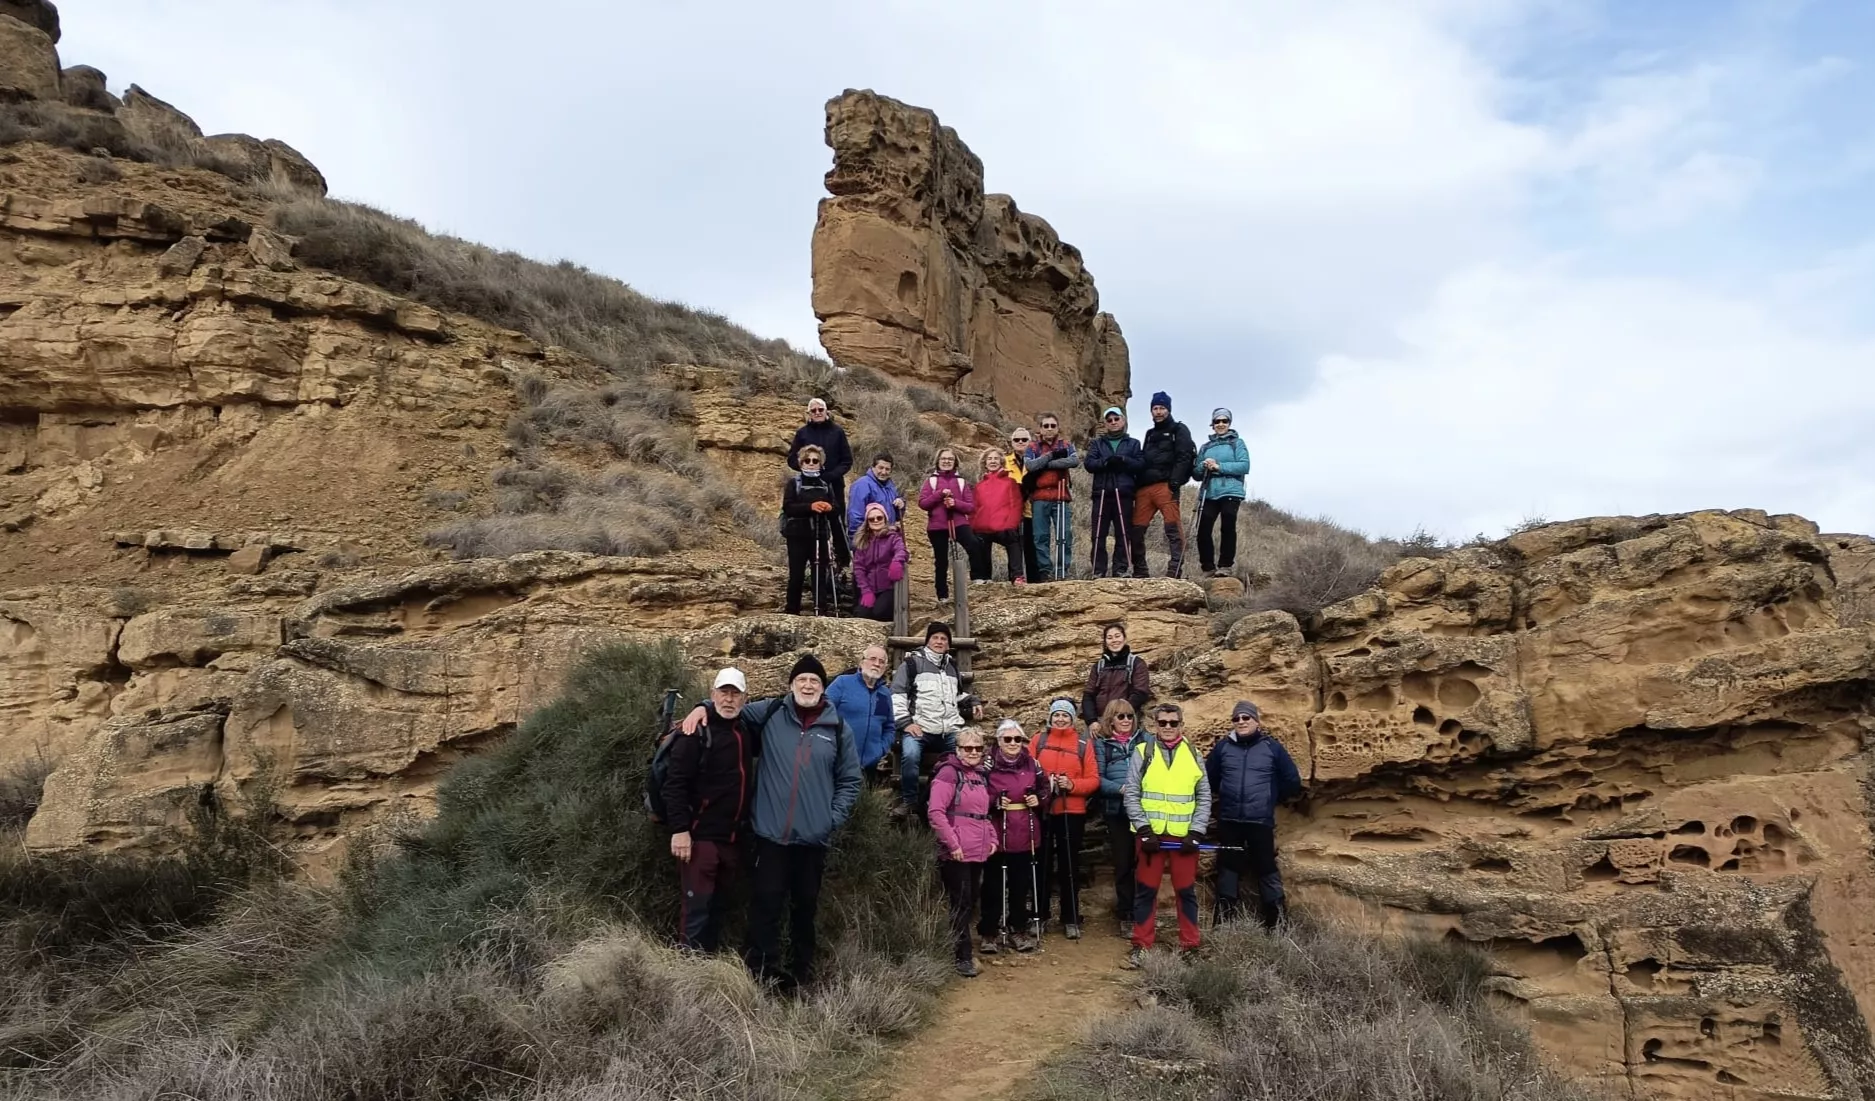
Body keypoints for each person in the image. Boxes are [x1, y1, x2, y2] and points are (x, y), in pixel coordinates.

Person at [679, 654, 862, 993]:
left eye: (815, 682)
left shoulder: (837, 727)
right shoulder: (771, 711)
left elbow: (850, 780)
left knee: (804, 909)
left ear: (824, 689)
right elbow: (728, 708)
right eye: (802, 680)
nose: (808, 685)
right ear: (791, 685)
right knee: (766, 906)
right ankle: (761, 975)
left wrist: (831, 819)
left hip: (813, 839)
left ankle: (802, 974)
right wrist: (701, 705)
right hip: (769, 836)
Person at [663, 667, 760, 953]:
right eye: (723, 692)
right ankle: (688, 975)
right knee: (696, 911)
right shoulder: (694, 732)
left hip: (732, 840)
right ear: (712, 694)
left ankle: (708, 972)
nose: (729, 700)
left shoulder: (744, 730)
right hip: (699, 838)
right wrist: (680, 831)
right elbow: (675, 784)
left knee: (718, 910)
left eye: (735, 693)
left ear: (745, 698)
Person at [1122, 702, 1212, 968]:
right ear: (1155, 725)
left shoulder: (1194, 754)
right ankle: (1141, 944)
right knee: (1146, 892)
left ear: (1181, 724)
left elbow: (1204, 795)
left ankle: (1190, 946)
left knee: (1186, 892)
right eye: (1163, 723)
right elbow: (1132, 794)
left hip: (1184, 839)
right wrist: (1144, 829)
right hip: (1150, 838)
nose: (1168, 727)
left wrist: (1196, 831)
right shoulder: (1143, 752)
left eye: (1173, 723)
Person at [1206, 700, 1303, 930]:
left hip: (1259, 820)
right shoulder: (1223, 747)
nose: (1241, 721)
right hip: (1229, 819)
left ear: (1256, 721)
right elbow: (1210, 777)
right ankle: (1224, 923)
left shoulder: (1272, 747)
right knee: (1228, 869)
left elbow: (1291, 780)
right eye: (1236, 718)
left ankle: (1277, 925)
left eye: (1246, 717)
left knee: (1266, 868)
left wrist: (1271, 798)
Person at [927, 726, 995, 977]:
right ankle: (961, 956)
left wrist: (993, 837)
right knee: (961, 902)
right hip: (955, 852)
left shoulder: (979, 775)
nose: (974, 752)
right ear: (957, 750)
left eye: (978, 748)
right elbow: (936, 812)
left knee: (970, 900)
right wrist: (953, 844)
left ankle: (962, 951)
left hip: (977, 848)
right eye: (968, 748)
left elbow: (983, 813)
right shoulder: (948, 773)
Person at [1031, 698, 1099, 940]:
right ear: (1050, 717)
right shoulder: (1038, 741)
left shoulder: (1083, 744)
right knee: (1042, 864)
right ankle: (1039, 916)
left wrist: (1071, 784)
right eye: (1056, 715)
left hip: (1072, 811)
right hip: (1044, 811)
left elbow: (1093, 780)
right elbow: (1026, 771)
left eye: (1065, 715)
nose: (1060, 719)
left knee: (1069, 866)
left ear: (1073, 719)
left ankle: (1071, 918)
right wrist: (1043, 784)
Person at [979, 719, 1046, 954]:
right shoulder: (987, 766)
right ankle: (989, 932)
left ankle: (1019, 930)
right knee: (993, 886)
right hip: (997, 832)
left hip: (1025, 832)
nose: (1013, 743)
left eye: (1017, 739)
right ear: (998, 741)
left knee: (1020, 885)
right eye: (1007, 739)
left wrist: (1039, 799)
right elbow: (977, 794)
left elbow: (1045, 790)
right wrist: (995, 802)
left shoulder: (1032, 764)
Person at [892, 621, 964, 814]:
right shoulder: (912, 664)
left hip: (948, 729)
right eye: (935, 638)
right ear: (927, 641)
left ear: (948, 644)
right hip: (920, 728)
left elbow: (956, 696)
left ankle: (951, 801)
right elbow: (897, 694)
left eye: (944, 639)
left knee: (964, 758)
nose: (939, 642)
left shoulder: (952, 667)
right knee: (910, 754)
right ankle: (910, 801)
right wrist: (905, 723)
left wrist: (972, 701)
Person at [1094, 699, 1147, 938]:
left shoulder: (1147, 741)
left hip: (1146, 811)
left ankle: (1145, 912)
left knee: (1146, 863)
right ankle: (1126, 914)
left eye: (1129, 716)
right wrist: (1120, 789)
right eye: (1120, 716)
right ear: (1110, 720)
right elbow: (1097, 778)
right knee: (1124, 864)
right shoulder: (1102, 745)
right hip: (1118, 812)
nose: (1126, 720)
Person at [1134, 392, 1197, 579]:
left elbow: (1184, 457)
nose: (1158, 412)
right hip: (1145, 488)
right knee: (1136, 530)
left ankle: (1174, 571)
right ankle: (1140, 571)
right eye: (1155, 408)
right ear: (1151, 411)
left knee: (1172, 529)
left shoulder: (1179, 429)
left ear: (1168, 410)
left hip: (1166, 486)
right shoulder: (1150, 434)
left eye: (1162, 408)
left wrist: (1174, 483)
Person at [788, 398, 855, 568]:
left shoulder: (837, 432)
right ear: (809, 413)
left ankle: (843, 563)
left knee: (838, 522)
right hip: (807, 487)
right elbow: (791, 459)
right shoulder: (802, 433)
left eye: (820, 409)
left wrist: (830, 475)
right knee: (810, 521)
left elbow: (846, 461)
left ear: (826, 411)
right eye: (814, 410)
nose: (817, 412)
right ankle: (813, 562)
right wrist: (807, 470)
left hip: (834, 485)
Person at [779, 445, 841, 616]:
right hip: (797, 535)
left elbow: (836, 509)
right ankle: (792, 611)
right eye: (807, 461)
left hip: (820, 535)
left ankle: (821, 611)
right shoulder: (794, 484)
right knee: (796, 575)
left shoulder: (826, 485)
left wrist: (829, 507)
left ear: (821, 464)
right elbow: (789, 507)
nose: (811, 464)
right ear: (801, 463)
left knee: (820, 574)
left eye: (815, 461)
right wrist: (810, 507)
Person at [1082, 406, 1143, 578]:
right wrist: (1106, 462)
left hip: (1124, 493)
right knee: (1098, 534)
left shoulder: (1133, 443)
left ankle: (1121, 569)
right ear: (1105, 424)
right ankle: (1098, 570)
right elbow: (1089, 464)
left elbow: (1140, 464)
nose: (1113, 422)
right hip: (1101, 493)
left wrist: (1124, 460)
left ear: (1123, 421)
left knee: (1123, 532)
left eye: (1116, 419)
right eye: (1109, 420)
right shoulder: (1097, 444)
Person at [918, 447, 984, 601]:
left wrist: (955, 503)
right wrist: (939, 494)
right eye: (943, 459)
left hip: (959, 523)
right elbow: (923, 503)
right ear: (938, 462)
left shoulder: (961, 482)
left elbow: (970, 506)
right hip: (937, 526)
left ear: (955, 463)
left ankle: (978, 578)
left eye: (950, 459)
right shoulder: (931, 481)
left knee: (973, 545)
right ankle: (942, 595)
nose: (946, 461)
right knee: (941, 561)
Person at [826, 644, 896, 783]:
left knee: (863, 804)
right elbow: (822, 714)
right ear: (861, 662)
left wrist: (880, 750)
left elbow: (889, 727)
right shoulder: (842, 683)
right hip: (839, 761)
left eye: (881, 661)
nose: (877, 664)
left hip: (869, 766)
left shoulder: (884, 694)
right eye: (872, 659)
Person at [1195, 408, 1251, 578]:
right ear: (1212, 425)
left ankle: (1225, 566)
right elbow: (1196, 474)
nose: (1220, 424)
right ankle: (1208, 567)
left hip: (1231, 490)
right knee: (1203, 529)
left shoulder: (1237, 443)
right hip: (1209, 492)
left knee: (1227, 525)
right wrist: (1203, 466)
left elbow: (1244, 466)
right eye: (1217, 421)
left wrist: (1218, 466)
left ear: (1229, 424)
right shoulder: (1205, 447)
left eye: (1224, 421)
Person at [1023, 413, 1079, 580]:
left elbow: (1074, 461)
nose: (1049, 429)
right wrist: (1051, 456)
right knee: (1040, 536)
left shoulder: (1066, 444)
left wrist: (1046, 463)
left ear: (1057, 428)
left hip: (1061, 493)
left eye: (1052, 426)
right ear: (1040, 429)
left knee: (1064, 535)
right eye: (1045, 426)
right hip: (1040, 496)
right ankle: (1045, 571)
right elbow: (1031, 466)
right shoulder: (1032, 447)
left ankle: (1063, 570)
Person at [970, 447, 1025, 585]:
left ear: (1001, 461)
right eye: (990, 459)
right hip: (982, 526)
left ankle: (1017, 576)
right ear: (985, 463)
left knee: (1014, 542)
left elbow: (1016, 505)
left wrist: (1011, 524)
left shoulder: (1010, 482)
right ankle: (984, 578)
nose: (993, 461)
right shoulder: (979, 486)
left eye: (996, 458)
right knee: (980, 547)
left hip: (1004, 526)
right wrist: (972, 525)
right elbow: (974, 508)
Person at [1081, 623, 1152, 730]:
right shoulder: (1099, 666)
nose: (1114, 640)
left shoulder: (1136, 663)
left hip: (1124, 721)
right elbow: (1088, 695)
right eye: (1109, 638)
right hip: (1099, 723)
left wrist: (1121, 716)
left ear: (1124, 638)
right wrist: (1092, 721)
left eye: (1117, 636)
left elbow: (1140, 692)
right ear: (1105, 642)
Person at [850, 502, 907, 622]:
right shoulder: (862, 541)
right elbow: (859, 568)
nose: (876, 520)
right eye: (871, 519)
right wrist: (865, 591)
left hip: (888, 587)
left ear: (885, 519)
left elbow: (901, 550)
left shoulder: (893, 537)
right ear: (867, 523)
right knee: (860, 614)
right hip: (870, 588)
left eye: (879, 517)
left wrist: (897, 561)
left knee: (880, 612)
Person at [1004, 426, 1039, 583]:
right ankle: (1014, 578)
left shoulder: (1036, 460)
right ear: (1011, 442)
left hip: (1032, 509)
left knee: (1032, 545)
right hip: (1011, 510)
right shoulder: (1004, 462)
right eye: (1016, 440)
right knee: (1013, 546)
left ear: (1030, 442)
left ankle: (1034, 581)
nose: (1020, 442)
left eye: (1024, 439)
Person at [846, 452, 905, 541]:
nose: (884, 472)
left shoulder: (890, 486)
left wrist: (901, 504)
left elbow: (897, 516)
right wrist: (860, 538)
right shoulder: (862, 485)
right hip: (869, 539)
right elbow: (855, 515)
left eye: (887, 469)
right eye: (880, 468)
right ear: (873, 467)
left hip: (887, 537)